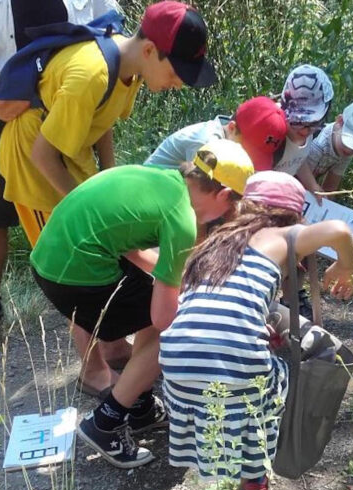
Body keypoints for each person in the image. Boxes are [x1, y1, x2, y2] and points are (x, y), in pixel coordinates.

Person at [159, 171, 353, 490]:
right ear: (294, 216)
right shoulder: (283, 235)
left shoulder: (215, 242)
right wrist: (345, 266)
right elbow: (341, 231)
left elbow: (219, 305)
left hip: (175, 360)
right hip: (230, 361)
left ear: (243, 207)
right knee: (273, 388)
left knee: (215, 413)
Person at [48, 141, 254, 467]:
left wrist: (175, 276)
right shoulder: (183, 220)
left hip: (53, 256)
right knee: (175, 331)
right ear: (225, 195)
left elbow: (129, 245)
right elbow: (163, 320)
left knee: (155, 301)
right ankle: (106, 422)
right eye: (232, 207)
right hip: (73, 278)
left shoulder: (162, 177)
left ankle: (141, 404)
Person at [0, 0, 119, 352]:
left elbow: (108, 40)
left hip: (60, 115)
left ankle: (90, 315)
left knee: (68, 215)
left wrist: (108, 164)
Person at [0, 0, 217, 249]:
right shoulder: (91, 75)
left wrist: (107, 182)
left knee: (96, 251)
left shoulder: (131, 71)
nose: (178, 84)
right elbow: (42, 155)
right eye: (176, 73)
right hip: (35, 167)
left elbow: (102, 119)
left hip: (72, 154)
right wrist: (91, 209)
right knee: (62, 261)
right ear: (148, 51)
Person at [145, 96, 287, 171]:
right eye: (247, 150)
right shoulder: (207, 144)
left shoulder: (227, 138)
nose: (248, 158)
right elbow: (199, 197)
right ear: (231, 127)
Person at [273, 64, 334, 203]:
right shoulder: (273, 130)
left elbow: (298, 160)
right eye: (297, 121)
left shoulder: (309, 131)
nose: (305, 130)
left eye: (313, 123)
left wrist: (313, 186)